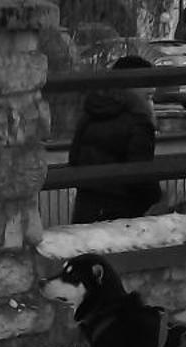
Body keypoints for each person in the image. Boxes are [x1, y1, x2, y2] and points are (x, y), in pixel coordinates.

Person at [68, 54, 161, 223]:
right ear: (131, 88)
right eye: (148, 97)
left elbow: (74, 159)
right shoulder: (139, 123)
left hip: (85, 211)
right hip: (123, 216)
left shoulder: (90, 113)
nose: (151, 105)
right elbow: (141, 176)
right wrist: (157, 198)